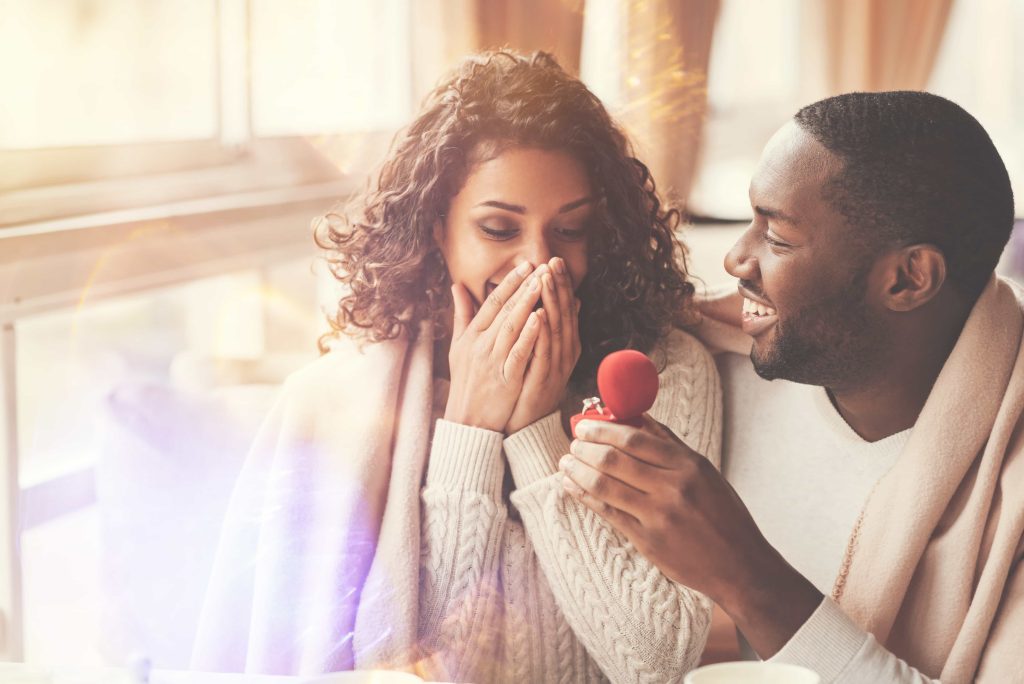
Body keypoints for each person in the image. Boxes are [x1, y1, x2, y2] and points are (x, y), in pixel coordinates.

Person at [192, 50, 722, 682]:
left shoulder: (667, 374)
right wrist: (469, 431)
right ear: (437, 228)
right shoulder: (338, 403)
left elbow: (657, 661)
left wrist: (534, 433)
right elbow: (410, 667)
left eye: (570, 230)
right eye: (499, 229)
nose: (539, 264)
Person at [561, 91, 1023, 683]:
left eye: (776, 238)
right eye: (750, 220)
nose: (734, 260)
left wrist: (744, 574)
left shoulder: (1009, 489)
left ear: (909, 278)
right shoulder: (704, 371)